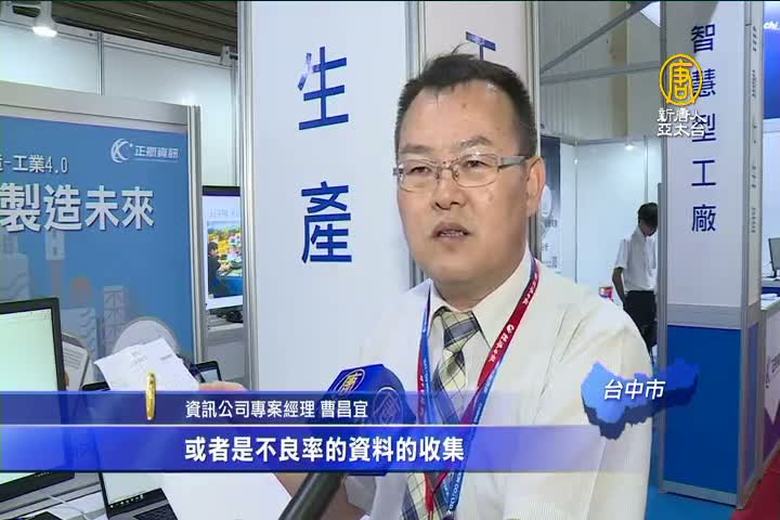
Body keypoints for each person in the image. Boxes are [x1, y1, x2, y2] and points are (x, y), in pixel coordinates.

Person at [209, 53, 651, 519]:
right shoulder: (393, 327)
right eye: (419, 169)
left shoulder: (596, 346)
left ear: (531, 184)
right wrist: (262, 437)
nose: (444, 194)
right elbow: (354, 500)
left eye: (474, 163)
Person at [612, 203, 658, 357]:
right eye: (651, 226)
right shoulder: (627, 241)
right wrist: (625, 300)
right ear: (641, 222)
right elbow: (616, 275)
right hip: (635, 298)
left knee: (649, 343)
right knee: (633, 346)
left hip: (650, 298)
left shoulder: (652, 242)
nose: (653, 230)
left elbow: (652, 272)